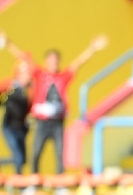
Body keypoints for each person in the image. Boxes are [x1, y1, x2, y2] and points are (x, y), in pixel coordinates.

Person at [0, 31, 108, 173]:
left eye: (56, 61)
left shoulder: (62, 77)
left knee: (59, 154)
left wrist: (92, 49)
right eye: (51, 61)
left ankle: (60, 183)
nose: (53, 63)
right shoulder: (40, 75)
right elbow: (24, 59)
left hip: (57, 122)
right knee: (36, 153)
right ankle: (33, 181)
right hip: (42, 122)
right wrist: (9, 43)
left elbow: (77, 64)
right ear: (46, 62)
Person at [0, 58, 32, 174]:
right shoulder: (10, 85)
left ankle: (18, 180)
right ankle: (18, 182)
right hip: (9, 126)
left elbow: (31, 108)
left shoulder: (29, 90)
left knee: (22, 159)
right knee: (18, 156)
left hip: (21, 128)